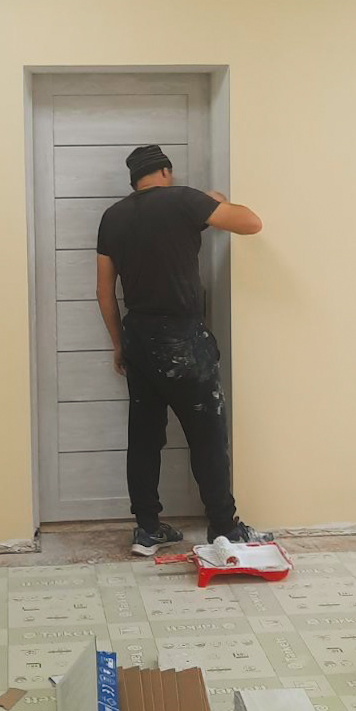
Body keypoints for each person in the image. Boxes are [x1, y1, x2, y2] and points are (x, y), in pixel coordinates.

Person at [95, 143, 265, 556]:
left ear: (134, 180)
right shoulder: (185, 200)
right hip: (183, 340)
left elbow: (103, 291)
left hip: (138, 339)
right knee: (207, 436)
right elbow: (251, 223)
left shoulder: (113, 217)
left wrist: (119, 345)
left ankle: (147, 529)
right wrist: (212, 200)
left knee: (144, 437)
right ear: (166, 172)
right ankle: (224, 527)